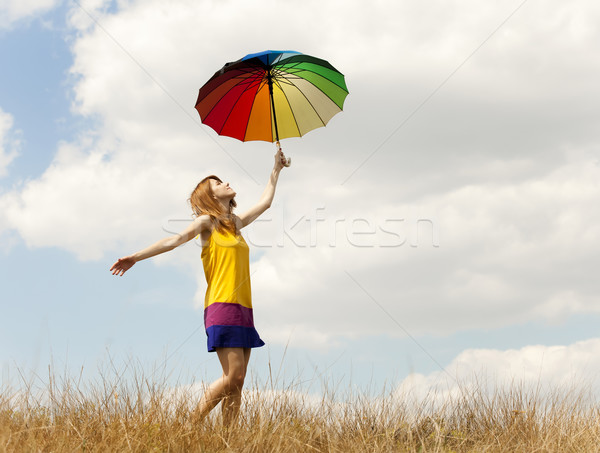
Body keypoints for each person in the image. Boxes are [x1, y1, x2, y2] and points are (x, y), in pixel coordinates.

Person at [110, 147, 288, 425]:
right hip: (222, 305)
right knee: (234, 376)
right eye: (218, 183)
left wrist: (275, 169)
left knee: (237, 384)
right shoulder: (208, 223)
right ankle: (189, 425)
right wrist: (136, 256)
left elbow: (265, 203)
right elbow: (174, 240)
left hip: (243, 308)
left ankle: (228, 441)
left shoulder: (236, 224)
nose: (225, 183)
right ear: (210, 197)